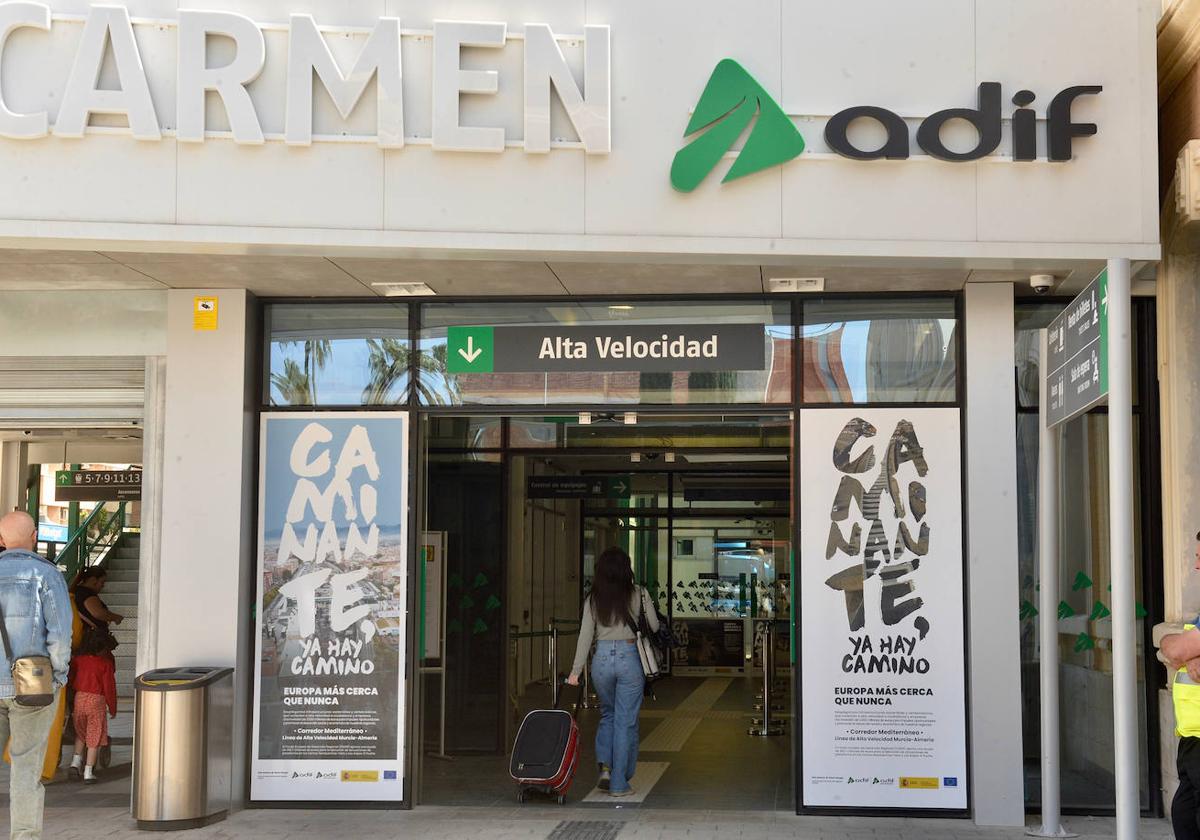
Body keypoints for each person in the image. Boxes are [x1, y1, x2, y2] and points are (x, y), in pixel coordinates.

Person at [0, 511, 72, 840]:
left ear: (1, 541)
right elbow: (59, 632)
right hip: (33, 685)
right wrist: (58, 675)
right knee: (26, 769)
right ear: (34, 536)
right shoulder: (45, 574)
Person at [566, 547, 658, 798]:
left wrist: (575, 672)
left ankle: (605, 768)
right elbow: (654, 625)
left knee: (608, 715)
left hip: (602, 660)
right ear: (626, 569)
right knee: (625, 721)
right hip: (630, 659)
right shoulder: (639, 593)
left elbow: (585, 636)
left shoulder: (593, 598)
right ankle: (619, 782)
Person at [1161, 531, 1200, 840]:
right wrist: (1190, 655)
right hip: (1191, 735)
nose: (1196, 566)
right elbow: (1169, 646)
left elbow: (1174, 650)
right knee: (1185, 810)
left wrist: (1185, 652)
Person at [66, 627, 116, 785]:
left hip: (79, 698)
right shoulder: (105, 664)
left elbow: (71, 677)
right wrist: (113, 707)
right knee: (94, 738)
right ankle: (88, 772)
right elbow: (109, 687)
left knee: (81, 733)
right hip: (97, 701)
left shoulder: (78, 660)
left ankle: (75, 763)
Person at [71, 567, 123, 636]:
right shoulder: (86, 594)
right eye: (102, 582)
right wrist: (115, 617)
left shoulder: (77, 592)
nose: (103, 585)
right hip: (89, 638)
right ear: (93, 580)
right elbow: (98, 613)